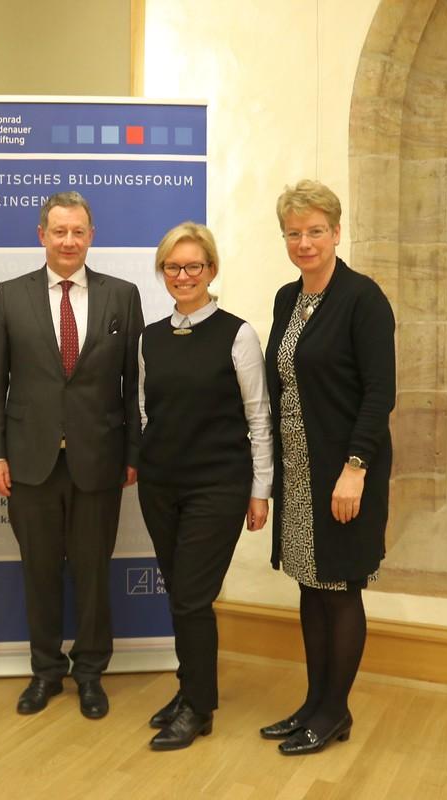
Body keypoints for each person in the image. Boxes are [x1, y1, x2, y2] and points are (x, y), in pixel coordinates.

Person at [0, 191, 143, 720]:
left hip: (100, 460)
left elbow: (133, 386)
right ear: (41, 235)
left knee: (93, 574)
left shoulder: (123, 296)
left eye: (78, 231)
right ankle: (46, 672)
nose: (68, 241)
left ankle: (90, 673)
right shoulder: (10, 296)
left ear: (91, 236)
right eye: (59, 231)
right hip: (30, 462)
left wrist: (133, 454)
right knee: (40, 572)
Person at [262, 180, 395, 756]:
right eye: (294, 233)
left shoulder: (363, 299)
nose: (305, 242)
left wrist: (355, 467)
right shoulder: (286, 299)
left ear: (337, 233)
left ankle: (335, 712)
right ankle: (314, 703)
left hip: (345, 474)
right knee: (311, 588)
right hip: (299, 472)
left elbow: (380, 392)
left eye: (316, 231)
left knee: (339, 589)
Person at [135, 222, 273, 750]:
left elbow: (258, 418)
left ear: (211, 270)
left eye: (194, 265)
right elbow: (145, 410)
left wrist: (260, 489)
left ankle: (199, 706)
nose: (184, 275)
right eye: (174, 266)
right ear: (163, 272)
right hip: (160, 486)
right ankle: (188, 689)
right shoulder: (150, 337)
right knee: (180, 595)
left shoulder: (237, 335)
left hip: (217, 487)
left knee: (192, 598)